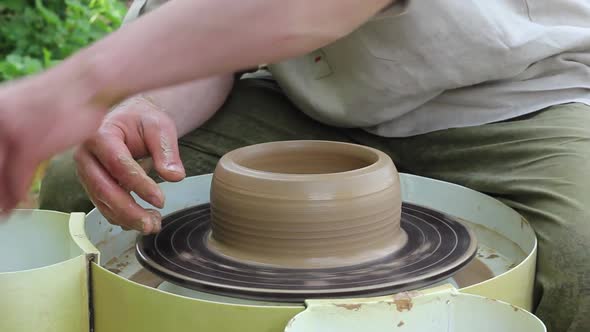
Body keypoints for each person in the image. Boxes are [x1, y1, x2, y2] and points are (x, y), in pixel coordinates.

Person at [2, 0, 589, 331]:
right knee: (91, 177)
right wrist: (146, 102)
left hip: (523, 92)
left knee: (582, 257)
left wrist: (80, 84)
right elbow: (215, 38)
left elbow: (306, 8)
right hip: (306, 96)